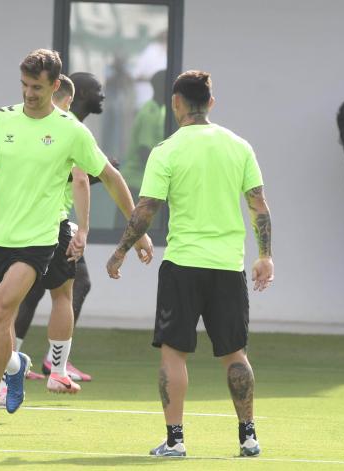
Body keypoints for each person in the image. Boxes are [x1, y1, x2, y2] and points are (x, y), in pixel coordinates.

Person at [0, 49, 153, 428]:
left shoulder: (71, 130)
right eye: (24, 85)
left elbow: (109, 176)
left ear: (56, 85)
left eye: (37, 87)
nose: (28, 93)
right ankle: (16, 362)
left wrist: (136, 230)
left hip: (36, 242)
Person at [106, 70, 274, 457]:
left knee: (173, 352)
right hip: (228, 266)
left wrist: (121, 251)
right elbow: (259, 206)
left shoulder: (166, 150)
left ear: (176, 103)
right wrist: (264, 255)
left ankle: (175, 441)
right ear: (211, 103)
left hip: (182, 265)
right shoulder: (239, 146)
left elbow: (146, 210)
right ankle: (248, 437)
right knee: (235, 353)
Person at [14, 72, 106, 382]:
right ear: (75, 96)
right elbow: (66, 175)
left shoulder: (71, 129)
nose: (102, 95)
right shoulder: (64, 127)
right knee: (73, 286)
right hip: (52, 225)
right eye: (97, 90)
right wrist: (101, 174)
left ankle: (18, 362)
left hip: (50, 222)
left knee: (36, 291)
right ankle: (53, 365)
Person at [118, 69, 166, 227]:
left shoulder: (162, 111)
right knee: (132, 228)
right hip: (136, 183)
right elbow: (144, 150)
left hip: (146, 184)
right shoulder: (149, 113)